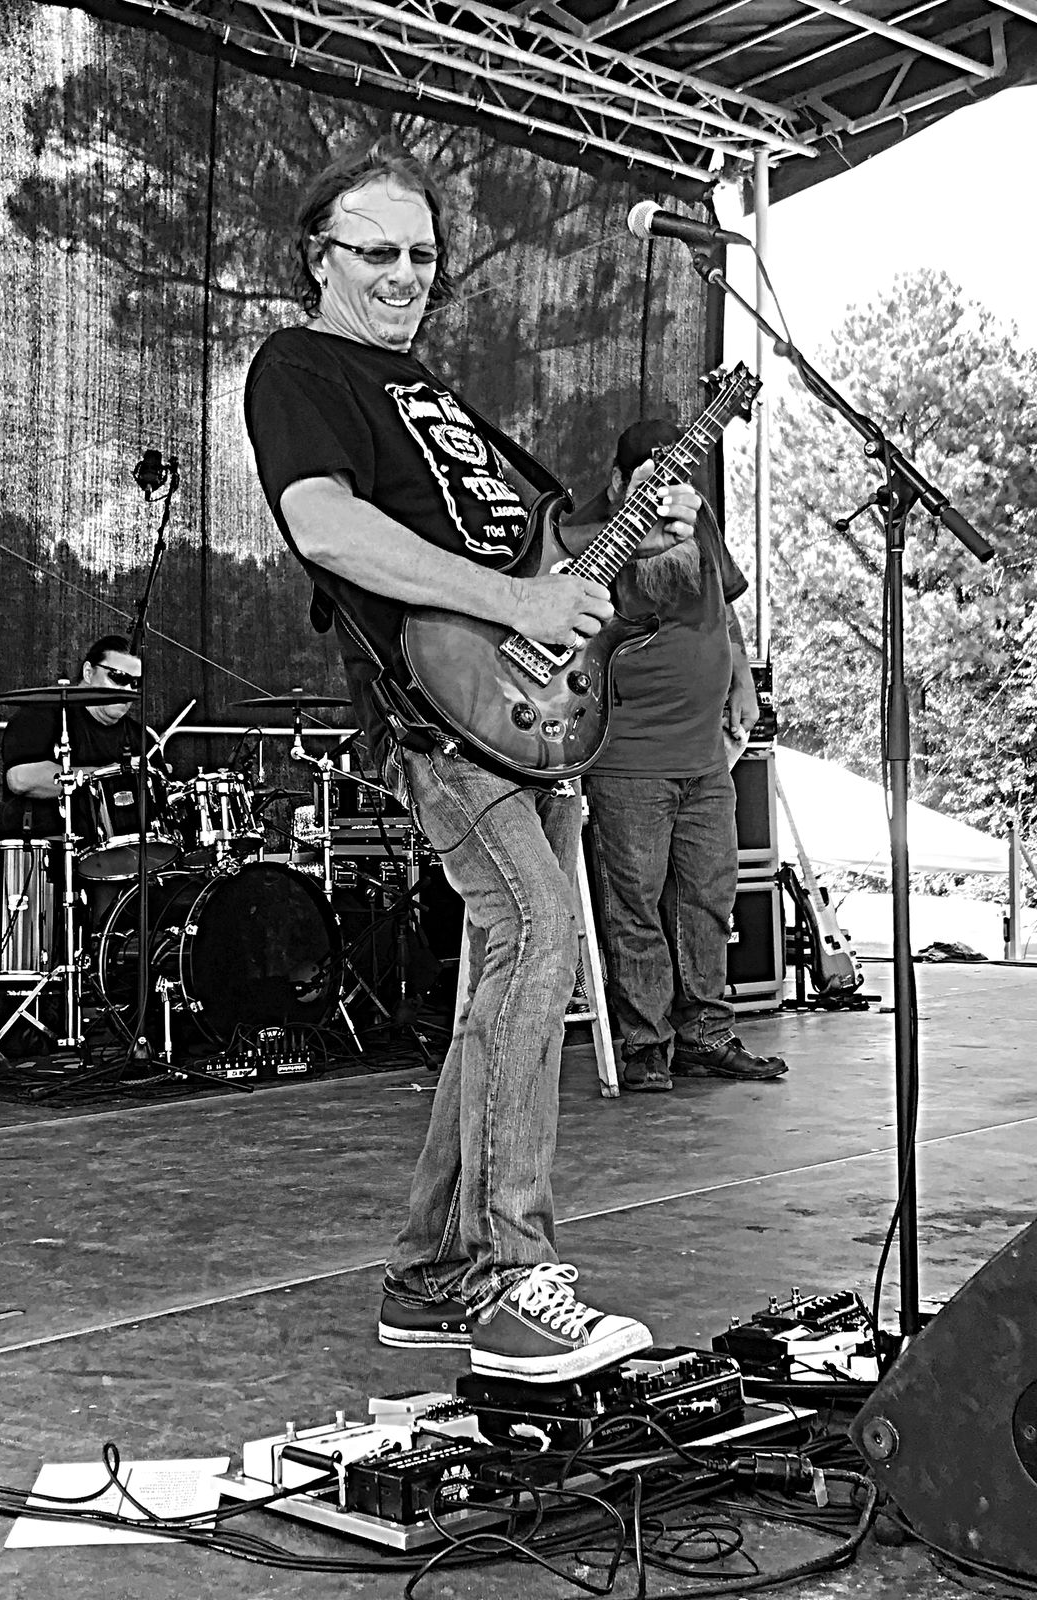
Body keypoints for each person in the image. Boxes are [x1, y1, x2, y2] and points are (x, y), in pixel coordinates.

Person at [243, 139, 702, 1384]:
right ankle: (507, 1278)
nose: (405, 273)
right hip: (438, 710)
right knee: (536, 928)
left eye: (423, 254)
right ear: (318, 259)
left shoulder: (435, 394)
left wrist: (636, 556)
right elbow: (326, 526)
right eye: (377, 251)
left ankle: (431, 1274)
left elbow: (564, 567)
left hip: (521, 710)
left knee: (512, 961)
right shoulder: (300, 366)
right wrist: (517, 598)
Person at [570, 421, 788, 1093]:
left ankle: (706, 1036)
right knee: (634, 905)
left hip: (704, 754)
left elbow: (724, 603)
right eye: (649, 480)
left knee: (709, 898)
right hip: (628, 756)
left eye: (675, 480)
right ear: (618, 482)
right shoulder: (591, 542)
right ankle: (645, 1043)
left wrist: (743, 680)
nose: (665, 493)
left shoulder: (697, 520)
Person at [0, 633, 145, 843]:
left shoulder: (140, 737)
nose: (128, 689)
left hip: (114, 855)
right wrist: (108, 775)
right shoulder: (41, 715)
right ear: (88, 672)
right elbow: (20, 780)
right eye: (119, 677)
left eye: (135, 682)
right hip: (39, 851)